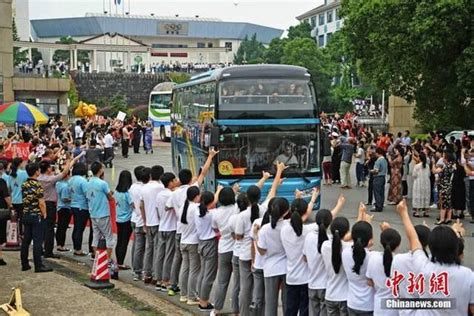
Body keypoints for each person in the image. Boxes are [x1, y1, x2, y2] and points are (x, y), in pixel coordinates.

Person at [395, 199, 474, 316]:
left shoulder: (424, 267)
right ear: (456, 247)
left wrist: (404, 213)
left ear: (430, 247)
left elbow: (414, 239)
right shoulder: (468, 275)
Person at [237, 164, 285, 316]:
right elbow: (273, 190)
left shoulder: (241, 214)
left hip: (249, 257)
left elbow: (239, 237)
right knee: (266, 295)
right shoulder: (264, 210)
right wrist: (278, 172)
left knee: (248, 289)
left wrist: (264, 178)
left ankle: (245, 312)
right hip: (263, 260)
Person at [280, 188, 320, 316]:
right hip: (306, 278)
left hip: (291, 277)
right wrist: (313, 198)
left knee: (290, 309)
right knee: (305, 310)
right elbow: (326, 218)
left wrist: (298, 199)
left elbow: (300, 215)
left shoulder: (284, 229)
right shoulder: (308, 230)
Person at [38, 155, 78, 259]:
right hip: (49, 205)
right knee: (50, 229)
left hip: (40, 203)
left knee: (42, 227)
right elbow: (64, 173)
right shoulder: (50, 179)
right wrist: (69, 162)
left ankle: (40, 248)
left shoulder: (38, 178)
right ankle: (48, 251)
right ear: (48, 169)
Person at [257, 198, 289, 316]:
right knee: (288, 303)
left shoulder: (264, 229)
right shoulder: (288, 226)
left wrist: (256, 238)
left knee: (270, 304)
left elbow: (261, 251)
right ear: (286, 212)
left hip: (270, 268)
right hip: (287, 268)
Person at [211, 186, 239, 315]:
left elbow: (215, 230)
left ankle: (217, 309)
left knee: (222, 281)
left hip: (223, 249)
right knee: (238, 282)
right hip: (236, 249)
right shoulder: (236, 209)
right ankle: (236, 309)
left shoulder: (216, 213)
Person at [20, 163, 52, 272]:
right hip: (36, 215)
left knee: (26, 240)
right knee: (37, 241)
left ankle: (24, 264)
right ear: (36, 172)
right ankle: (38, 265)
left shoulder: (24, 184)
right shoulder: (37, 185)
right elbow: (41, 203)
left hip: (26, 214)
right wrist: (44, 214)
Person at [341, 220, 375, 315]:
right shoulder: (373, 257)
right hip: (369, 304)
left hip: (352, 302)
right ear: (370, 239)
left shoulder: (345, 253)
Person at [195, 190, 220, 311]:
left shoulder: (197, 210)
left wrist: (218, 191)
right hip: (210, 244)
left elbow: (212, 202)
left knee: (204, 272)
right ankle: (203, 302)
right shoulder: (212, 214)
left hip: (201, 243)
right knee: (209, 275)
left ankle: (201, 297)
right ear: (211, 203)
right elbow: (215, 203)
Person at [320, 216, 351, 315]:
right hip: (345, 296)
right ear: (347, 232)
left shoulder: (325, 245)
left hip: (330, 295)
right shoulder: (348, 248)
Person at [155, 172, 179, 292]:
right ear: (170, 182)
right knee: (169, 255)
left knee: (160, 254)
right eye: (174, 180)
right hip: (171, 227)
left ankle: (158, 279)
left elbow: (156, 209)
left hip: (162, 226)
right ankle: (166, 280)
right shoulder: (171, 195)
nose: (176, 182)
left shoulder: (159, 195)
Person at [140, 165, 165, 284]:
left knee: (149, 248)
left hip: (149, 222)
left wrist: (144, 222)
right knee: (158, 249)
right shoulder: (160, 187)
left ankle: (146, 273)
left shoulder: (144, 188)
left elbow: (141, 206)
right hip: (158, 222)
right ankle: (156, 274)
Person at [86, 161, 115, 259]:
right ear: (100, 170)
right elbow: (110, 197)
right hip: (103, 213)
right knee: (109, 237)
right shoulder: (102, 183)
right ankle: (108, 259)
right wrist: (111, 194)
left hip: (93, 213)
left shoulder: (88, 182)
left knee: (96, 236)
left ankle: (97, 257)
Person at [179, 186, 201, 305]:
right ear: (196, 196)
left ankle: (183, 294)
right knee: (194, 270)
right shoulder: (195, 207)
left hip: (183, 241)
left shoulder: (183, 206)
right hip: (193, 243)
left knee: (185, 268)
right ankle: (191, 297)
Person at [69, 162, 93, 256]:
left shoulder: (71, 180)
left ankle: (76, 247)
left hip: (73, 204)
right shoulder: (82, 181)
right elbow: (87, 193)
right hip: (82, 206)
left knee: (76, 227)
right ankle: (78, 249)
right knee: (80, 228)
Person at [114, 170, 134, 269]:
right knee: (124, 242)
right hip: (127, 219)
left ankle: (118, 261)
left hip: (118, 219)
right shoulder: (127, 193)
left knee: (119, 240)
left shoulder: (117, 192)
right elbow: (132, 204)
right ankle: (121, 262)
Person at [129, 166, 146, 281]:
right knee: (140, 247)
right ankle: (137, 270)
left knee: (136, 245)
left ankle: (135, 267)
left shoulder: (132, 186)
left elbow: (131, 203)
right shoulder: (142, 188)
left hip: (134, 217)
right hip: (140, 219)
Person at [433, 152, 455, 225]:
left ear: (446, 159)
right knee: (448, 202)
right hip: (449, 186)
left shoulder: (445, 167)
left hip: (443, 186)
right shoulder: (452, 166)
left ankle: (442, 219)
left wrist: (433, 164)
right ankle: (449, 218)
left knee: (443, 203)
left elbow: (434, 171)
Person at [9, 158, 28, 235]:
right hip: (21, 200)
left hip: (13, 200)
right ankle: (21, 234)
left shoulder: (10, 175)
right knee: (22, 219)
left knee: (14, 219)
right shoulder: (23, 173)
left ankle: (14, 235)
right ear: (20, 164)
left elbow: (9, 188)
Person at [55, 170, 71, 252]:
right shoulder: (65, 186)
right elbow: (65, 198)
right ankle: (61, 245)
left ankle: (58, 244)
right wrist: (72, 199)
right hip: (65, 208)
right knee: (63, 228)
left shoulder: (58, 184)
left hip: (59, 207)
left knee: (60, 226)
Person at [0, 172, 13, 266]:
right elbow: (6, 196)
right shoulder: (1, 182)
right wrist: (11, 206)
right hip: (1, 211)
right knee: (0, 235)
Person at [370, 147, 388, 212]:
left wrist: (371, 171)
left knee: (377, 192)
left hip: (378, 177)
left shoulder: (378, 161)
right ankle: (381, 204)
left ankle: (378, 206)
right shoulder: (384, 160)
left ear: (378, 153)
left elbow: (376, 170)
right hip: (383, 177)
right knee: (381, 192)